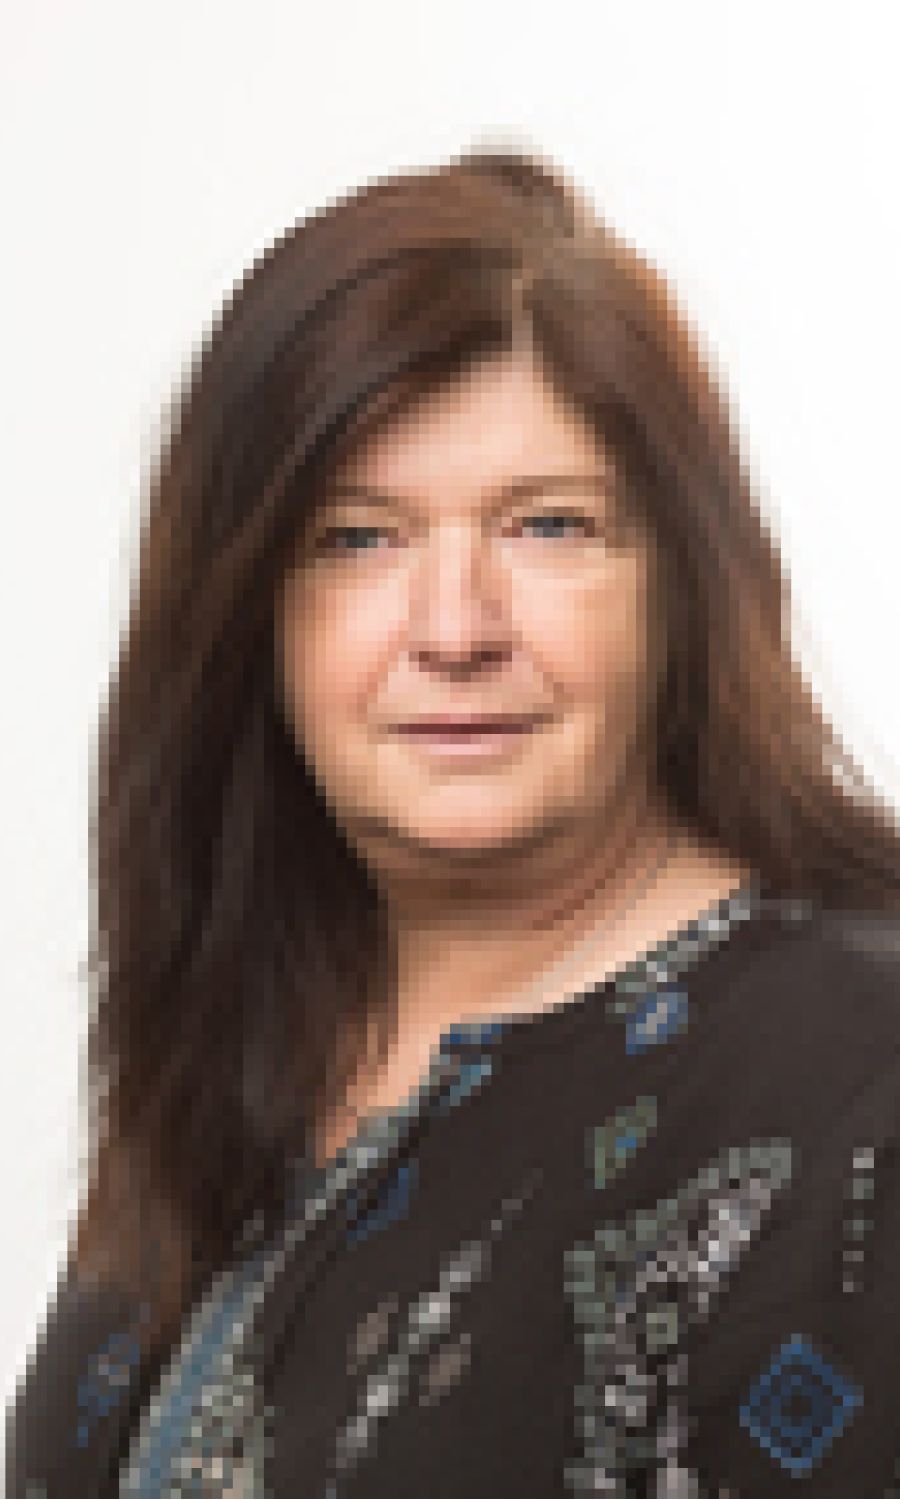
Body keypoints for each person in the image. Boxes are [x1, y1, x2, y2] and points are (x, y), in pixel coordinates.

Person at [6, 146, 900, 1498]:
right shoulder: (240, 1063)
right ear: (247, 615)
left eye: (548, 527)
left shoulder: (860, 1087)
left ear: (680, 587)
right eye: (359, 538)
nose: (454, 628)